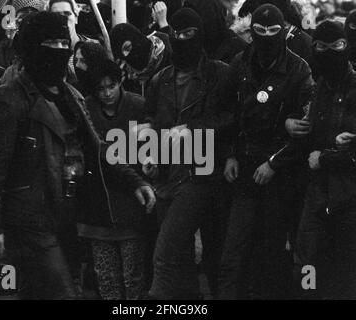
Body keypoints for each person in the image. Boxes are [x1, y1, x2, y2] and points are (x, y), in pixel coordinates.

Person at [0, 11, 155, 300]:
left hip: (65, 220)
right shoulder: (8, 99)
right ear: (32, 47)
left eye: (62, 42)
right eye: (50, 44)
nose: (59, 51)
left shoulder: (72, 97)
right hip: (26, 226)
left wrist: (134, 181)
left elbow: (98, 150)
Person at [218, 4, 314, 299]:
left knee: (275, 252)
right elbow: (223, 112)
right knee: (233, 251)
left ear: (284, 32)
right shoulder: (241, 62)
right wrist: (229, 153)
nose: (267, 37)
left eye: (274, 31)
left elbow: (306, 128)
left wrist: (274, 163)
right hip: (245, 165)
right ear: (252, 32)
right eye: (260, 31)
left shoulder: (299, 68)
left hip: (281, 173)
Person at [145, 8, 233, 299]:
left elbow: (233, 117)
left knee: (168, 254)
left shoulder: (220, 73)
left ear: (200, 35)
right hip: (168, 177)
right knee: (179, 261)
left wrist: (191, 129)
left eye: (188, 34)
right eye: (176, 34)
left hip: (203, 175)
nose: (181, 39)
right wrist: (147, 155)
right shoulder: (160, 79)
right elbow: (149, 123)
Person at [287, 20, 356, 300]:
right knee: (307, 264)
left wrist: (326, 160)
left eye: (336, 46)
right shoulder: (318, 89)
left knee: (344, 268)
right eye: (321, 47)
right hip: (318, 192)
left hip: (348, 194)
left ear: (346, 46)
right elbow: (309, 135)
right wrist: (290, 125)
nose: (329, 53)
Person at [80, 59, 151, 300]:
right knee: (106, 277)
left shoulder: (138, 105)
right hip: (98, 202)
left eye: (111, 86)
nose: (107, 93)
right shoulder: (86, 108)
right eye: (101, 88)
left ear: (120, 83)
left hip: (132, 200)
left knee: (133, 276)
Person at [110, 22, 172, 96]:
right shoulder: (128, 77)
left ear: (136, 37)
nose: (127, 55)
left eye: (128, 47)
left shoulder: (169, 50)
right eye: (122, 55)